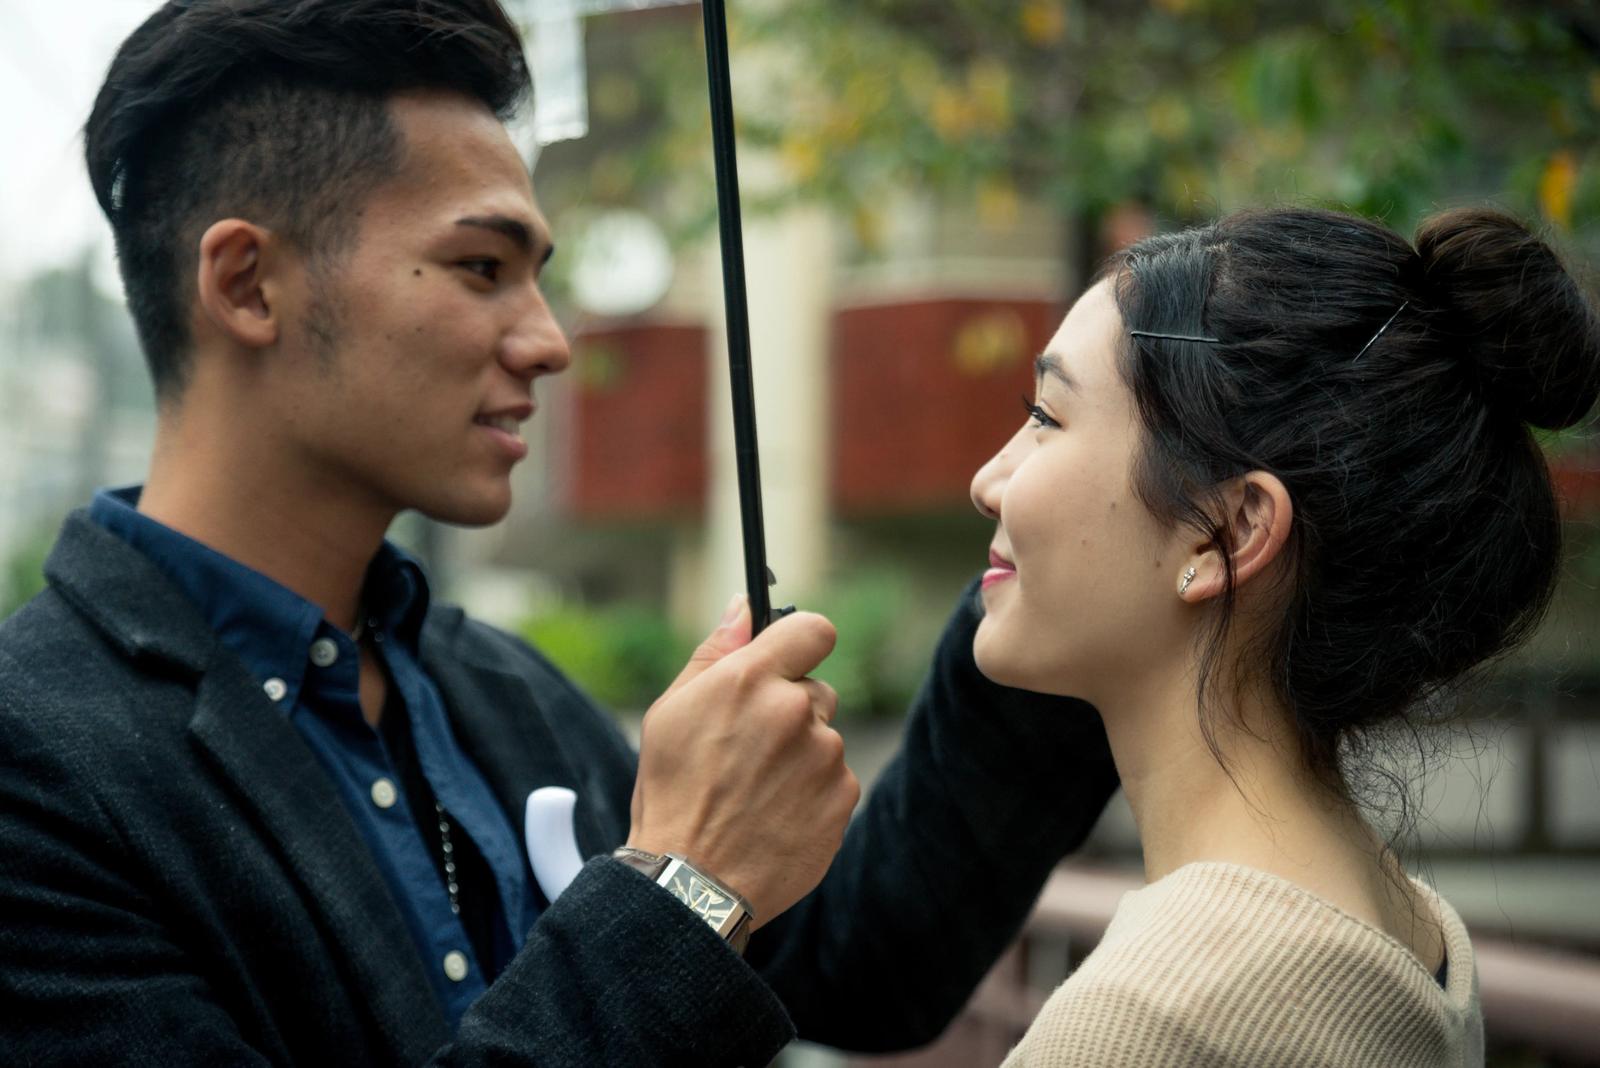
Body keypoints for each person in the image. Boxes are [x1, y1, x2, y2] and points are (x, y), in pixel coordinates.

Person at [0, 1, 1121, 1064]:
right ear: (248, 284)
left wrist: (1060, 577)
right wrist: (681, 881)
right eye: (481, 268)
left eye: (540, 277)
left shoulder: (498, 693)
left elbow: (854, 968)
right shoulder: (39, 767)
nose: (548, 342)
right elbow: (687, 922)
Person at [970, 205, 1600, 1066]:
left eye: (1046, 416)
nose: (987, 480)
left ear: (1225, 536)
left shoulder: (1152, 1017)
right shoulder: (1412, 933)